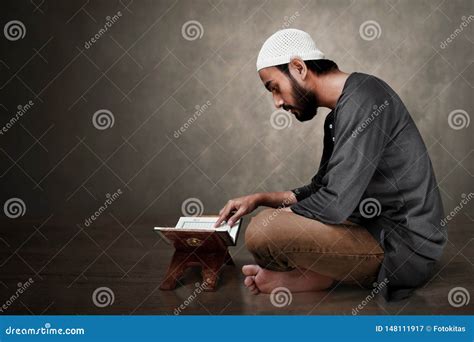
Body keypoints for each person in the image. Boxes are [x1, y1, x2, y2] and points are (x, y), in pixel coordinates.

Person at [214, 29, 446, 301]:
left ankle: (320, 274)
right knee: (269, 224)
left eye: (274, 87)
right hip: (367, 224)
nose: (277, 102)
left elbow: (335, 202)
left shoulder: (365, 100)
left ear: (298, 67)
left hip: (404, 245)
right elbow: (321, 187)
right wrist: (262, 199)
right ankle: (318, 275)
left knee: (263, 230)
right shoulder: (337, 116)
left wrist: (285, 216)